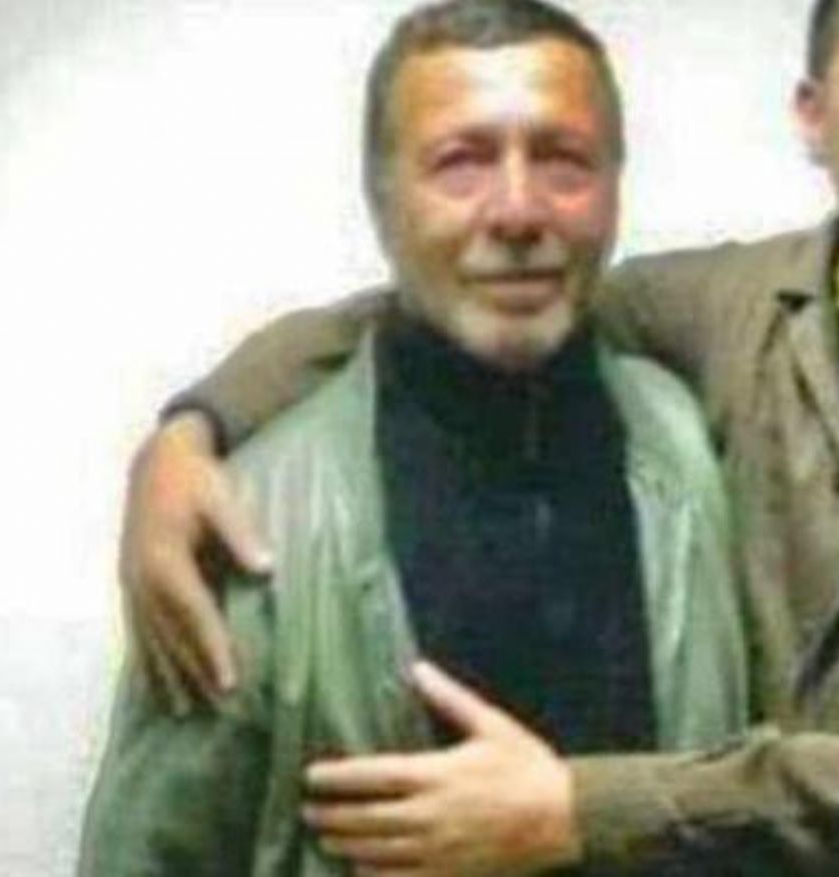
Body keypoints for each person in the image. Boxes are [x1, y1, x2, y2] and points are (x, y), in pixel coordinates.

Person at [120, 0, 839, 873]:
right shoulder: (728, 311)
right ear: (813, 113)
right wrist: (189, 433)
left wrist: (575, 809)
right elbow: (450, 299)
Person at [79, 1, 749, 872]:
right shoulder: (248, 521)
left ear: (617, 185)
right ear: (381, 198)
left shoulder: (697, 446)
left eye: (563, 159)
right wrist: (183, 429)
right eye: (461, 163)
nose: (518, 210)